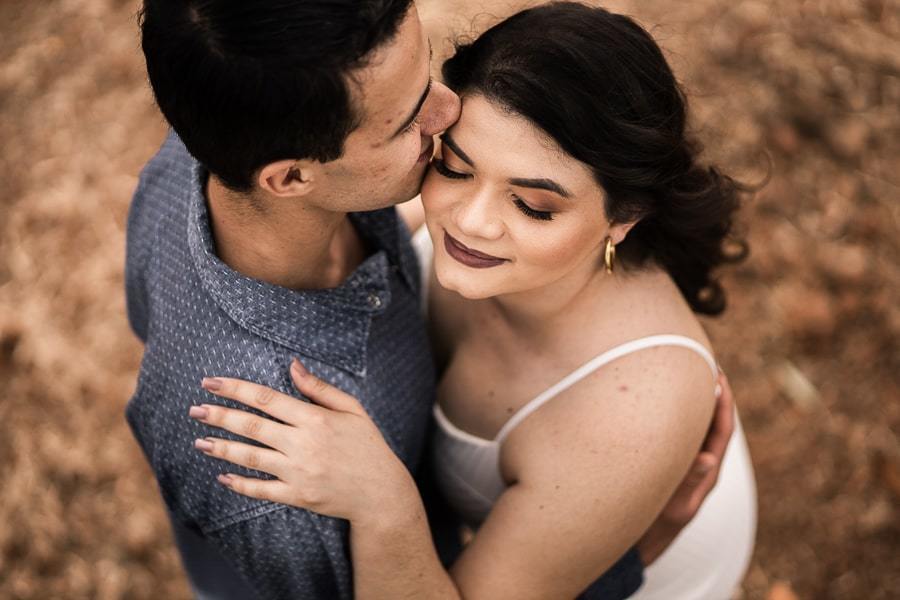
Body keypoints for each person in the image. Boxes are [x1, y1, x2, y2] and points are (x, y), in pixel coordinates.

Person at [126, 1, 735, 598]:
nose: (469, 222)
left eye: (534, 206)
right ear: (289, 178)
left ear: (623, 219)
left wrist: (631, 559)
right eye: (457, 167)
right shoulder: (267, 479)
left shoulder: (246, 150)